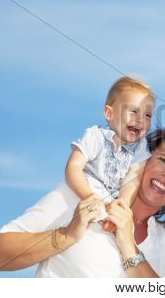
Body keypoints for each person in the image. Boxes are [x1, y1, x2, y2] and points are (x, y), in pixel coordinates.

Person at [0, 123, 165, 277]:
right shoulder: (84, 193)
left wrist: (129, 247)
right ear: (143, 159)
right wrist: (66, 235)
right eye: (163, 160)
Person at [66, 76, 154, 229]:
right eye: (134, 111)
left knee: (118, 230)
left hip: (109, 203)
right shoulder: (96, 136)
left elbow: (133, 179)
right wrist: (88, 196)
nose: (141, 119)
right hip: (82, 191)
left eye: (147, 115)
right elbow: (73, 167)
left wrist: (121, 206)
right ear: (109, 113)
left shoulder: (141, 147)